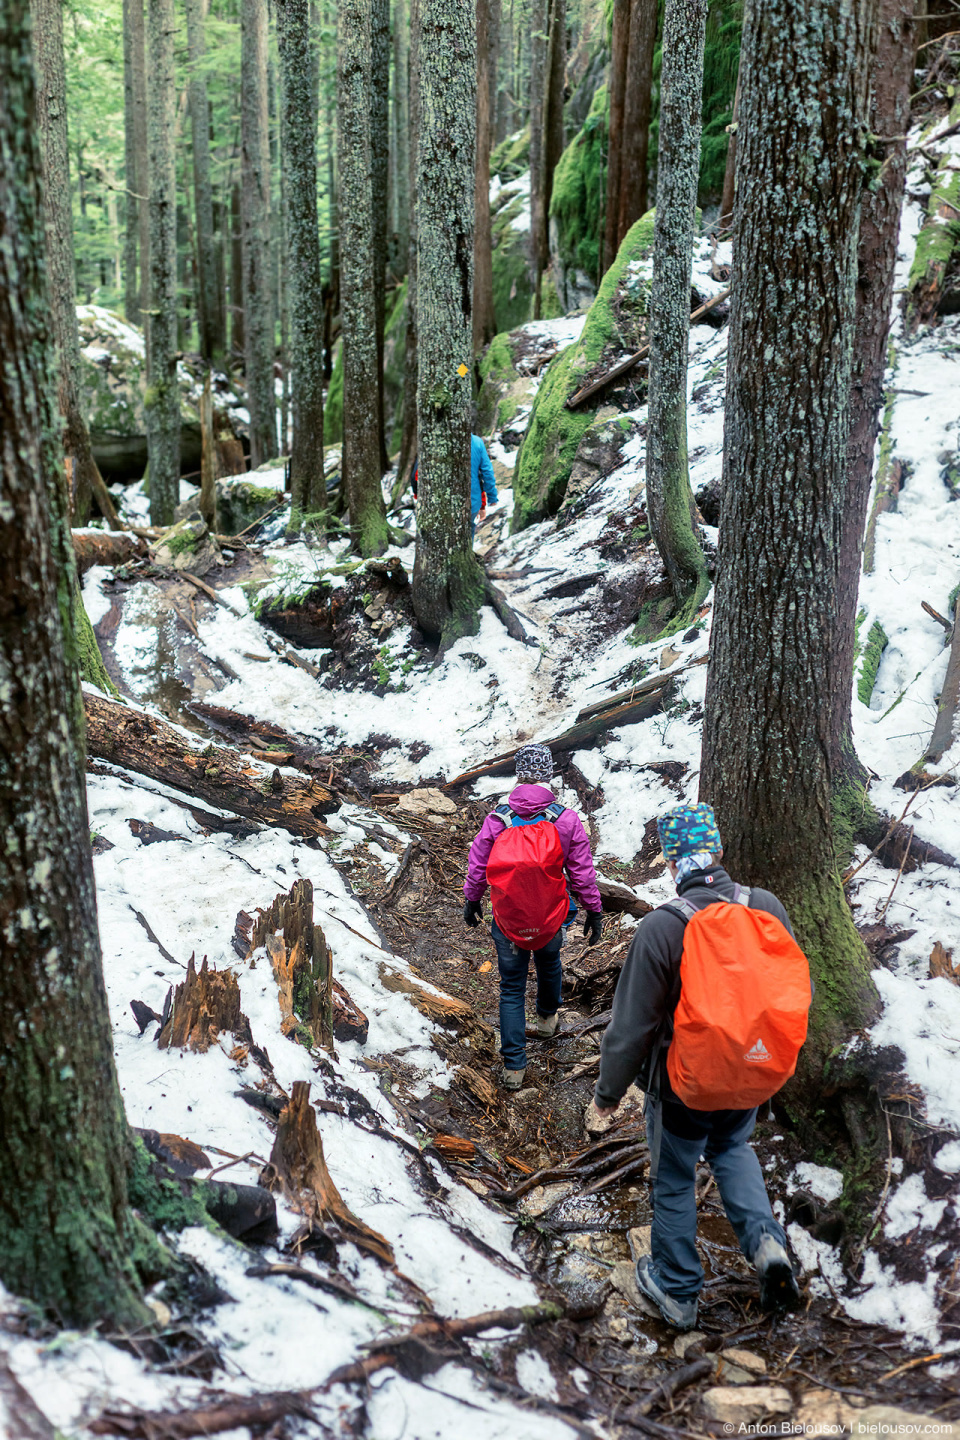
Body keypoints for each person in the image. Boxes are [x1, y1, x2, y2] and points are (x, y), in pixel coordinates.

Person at [589, 802, 801, 1330]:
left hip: (683, 1086)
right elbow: (792, 990)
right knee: (733, 1148)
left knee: (675, 1178)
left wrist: (607, 1094)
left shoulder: (663, 927)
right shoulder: (766, 906)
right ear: (720, 852)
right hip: (752, 1074)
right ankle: (767, 1243)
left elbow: (631, 1028)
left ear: (668, 861)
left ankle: (677, 1289)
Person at [463, 744, 604, 1091]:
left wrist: (472, 898)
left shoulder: (498, 818)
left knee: (511, 989)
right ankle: (546, 1020)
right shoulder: (566, 819)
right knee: (549, 962)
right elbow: (582, 872)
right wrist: (594, 910)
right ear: (548, 775)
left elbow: (478, 864)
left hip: (508, 920)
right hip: (551, 915)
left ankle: (514, 1068)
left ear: (520, 775)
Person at [470, 433, 498, 538]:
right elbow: (487, 472)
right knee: (467, 532)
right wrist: (492, 497)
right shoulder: (476, 442)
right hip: (472, 501)